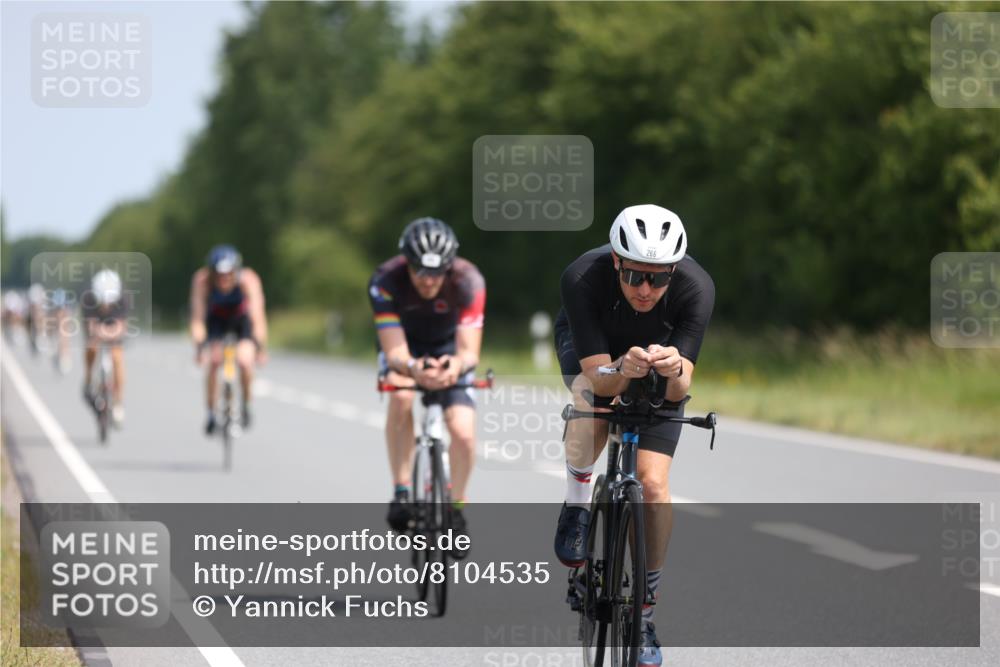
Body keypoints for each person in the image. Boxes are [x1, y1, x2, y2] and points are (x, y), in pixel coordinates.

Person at [553, 204, 715, 666]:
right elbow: (600, 380)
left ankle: (643, 615)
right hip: (598, 353)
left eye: (659, 279)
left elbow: (682, 387)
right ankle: (577, 503)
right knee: (592, 400)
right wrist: (622, 368)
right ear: (618, 263)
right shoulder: (582, 277)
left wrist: (673, 368)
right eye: (637, 276)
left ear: (674, 272)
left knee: (653, 483)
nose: (647, 289)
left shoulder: (696, 287)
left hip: (656, 359)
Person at [368, 217, 486, 551]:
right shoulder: (384, 280)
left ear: (449, 266)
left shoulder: (469, 281)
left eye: (437, 272)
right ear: (407, 262)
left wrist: (455, 366)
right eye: (420, 271)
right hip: (405, 348)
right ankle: (402, 490)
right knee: (401, 396)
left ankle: (457, 509)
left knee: (462, 433)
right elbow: (394, 350)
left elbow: (469, 351)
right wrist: (411, 367)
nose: (429, 280)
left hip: (450, 350)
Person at [189, 245, 268, 435]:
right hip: (216, 320)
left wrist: (260, 348)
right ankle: (210, 413)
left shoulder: (248, 280)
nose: (224, 279)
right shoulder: (202, 281)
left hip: (241, 322)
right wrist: (199, 348)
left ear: (236, 271)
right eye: (219, 275)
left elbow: (257, 316)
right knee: (215, 361)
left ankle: (246, 405)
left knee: (245, 361)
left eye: (229, 274)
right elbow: (198, 319)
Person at [83, 269, 128, 425]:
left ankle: (118, 402)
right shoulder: (88, 298)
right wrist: (99, 333)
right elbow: (90, 326)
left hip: (113, 329)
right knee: (92, 347)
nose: (106, 305)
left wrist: (109, 333)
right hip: (97, 328)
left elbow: (122, 326)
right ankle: (88, 380)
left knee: (117, 357)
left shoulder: (123, 298)